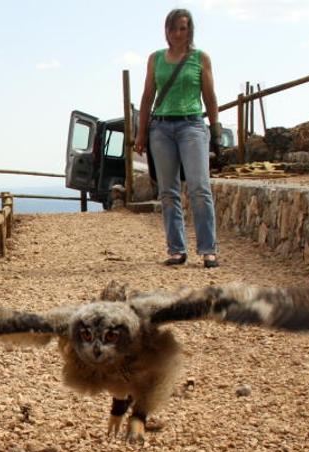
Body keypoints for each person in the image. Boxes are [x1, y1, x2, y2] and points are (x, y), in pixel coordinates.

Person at [133, 8, 221, 268]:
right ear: (166, 31)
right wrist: (141, 132)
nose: (177, 33)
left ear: (189, 30)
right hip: (160, 128)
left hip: (191, 125)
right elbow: (148, 96)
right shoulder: (155, 59)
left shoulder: (200, 58)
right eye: (173, 28)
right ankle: (176, 250)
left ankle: (208, 249)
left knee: (199, 187)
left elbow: (210, 96)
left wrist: (215, 131)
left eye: (182, 28)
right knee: (168, 191)